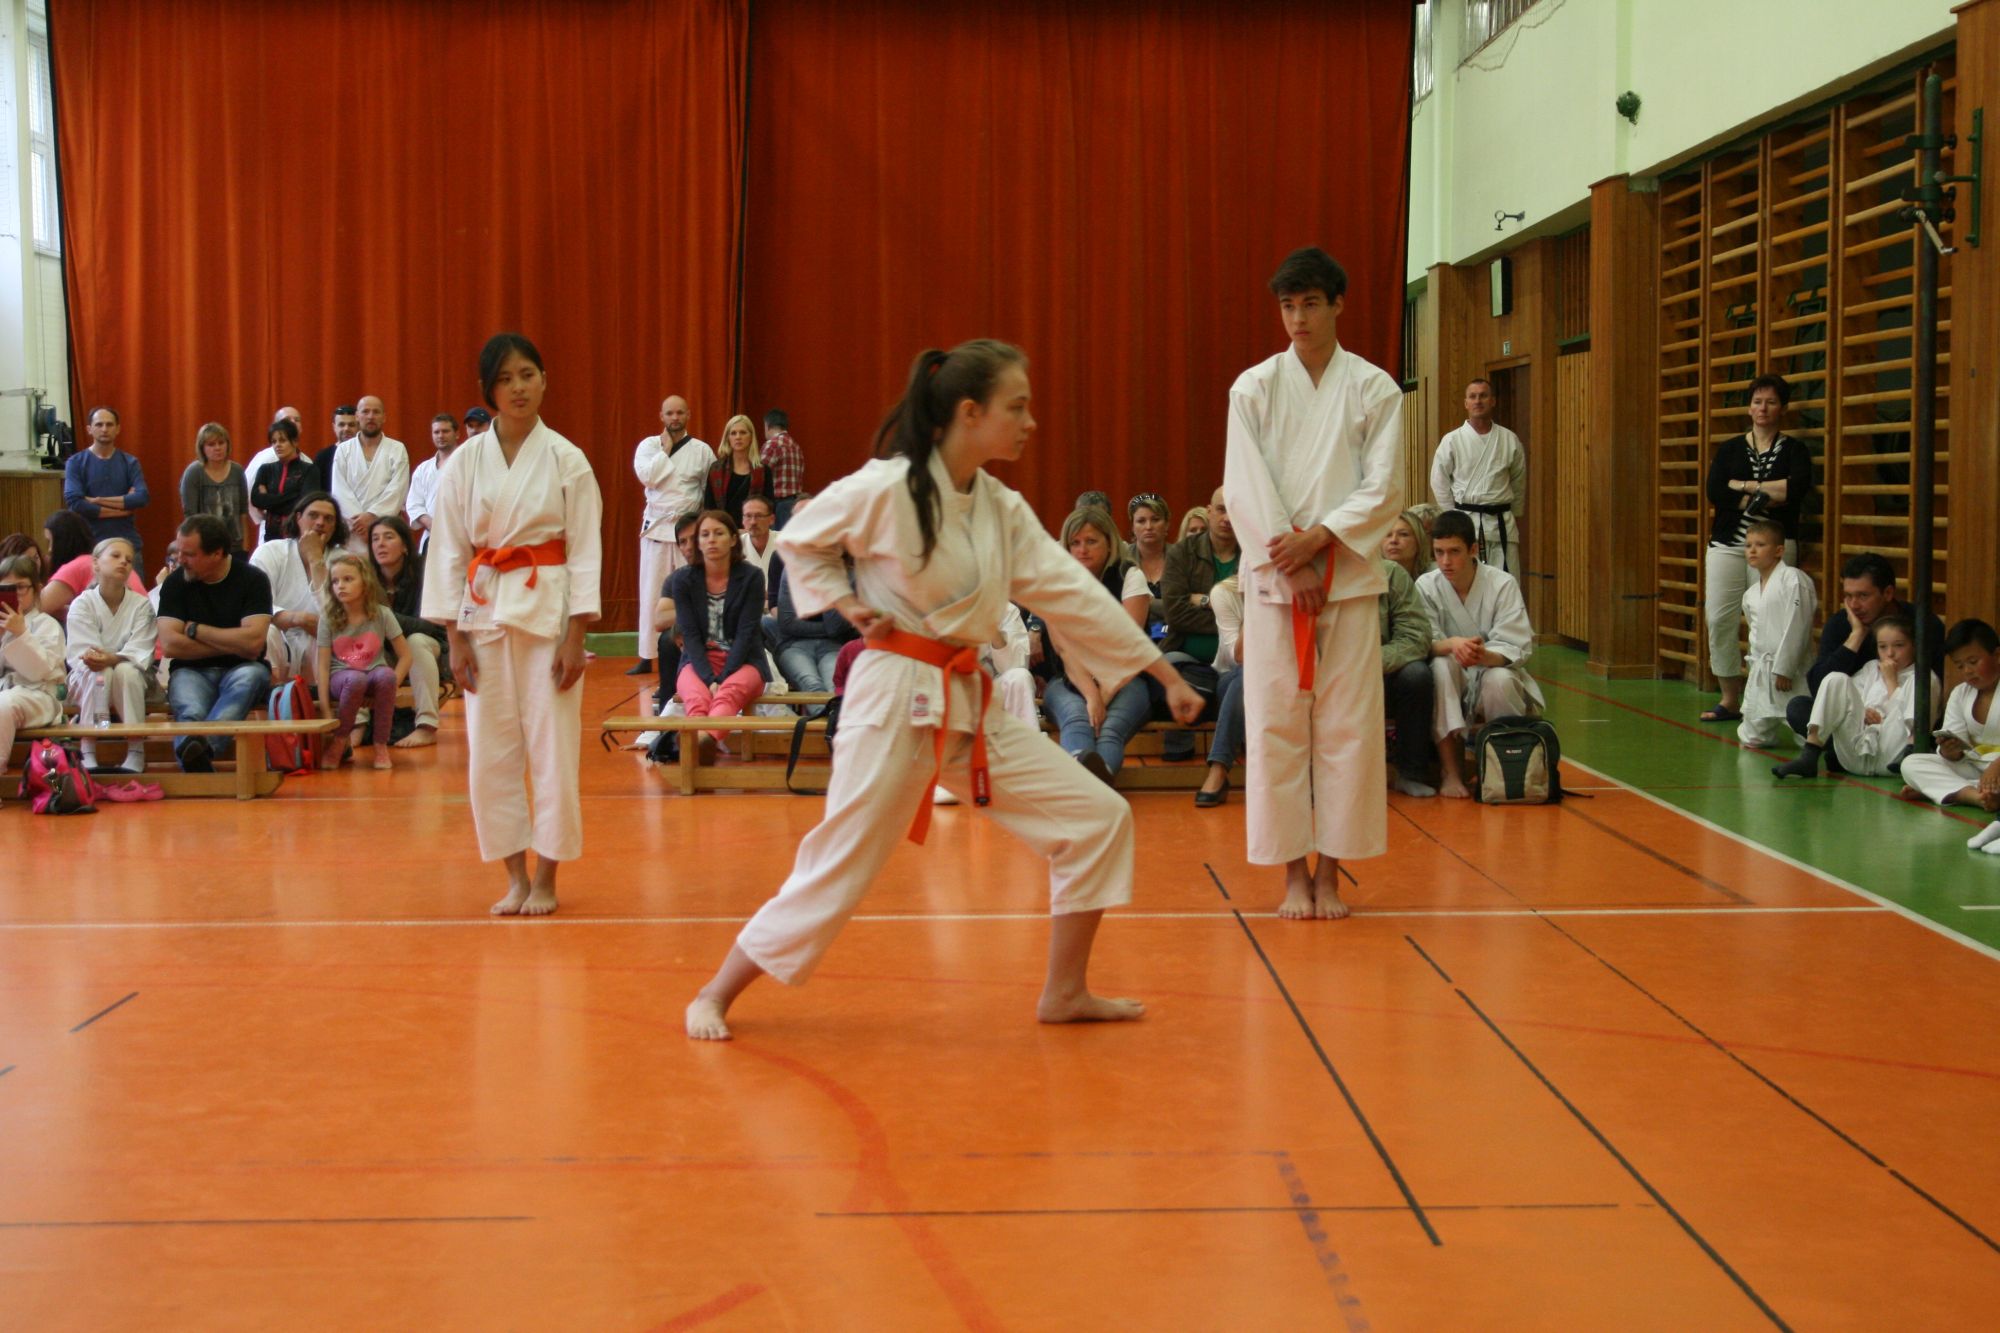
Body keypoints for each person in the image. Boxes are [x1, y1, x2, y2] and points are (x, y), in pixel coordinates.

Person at [685, 339, 1202, 1040]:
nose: (1030, 422)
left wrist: (1160, 670)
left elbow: (1072, 592)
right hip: (892, 696)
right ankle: (713, 993)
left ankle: (1066, 990)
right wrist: (848, 602)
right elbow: (803, 539)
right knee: (840, 865)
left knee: (1096, 817)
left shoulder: (1000, 507)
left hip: (963, 696)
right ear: (970, 412)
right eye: (1017, 407)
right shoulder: (888, 486)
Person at [1224, 246, 1404, 919]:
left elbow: (1384, 486)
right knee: (1276, 727)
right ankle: (1292, 878)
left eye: (1310, 304)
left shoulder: (1375, 388)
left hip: (1347, 581)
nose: (1297, 318)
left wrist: (1320, 539)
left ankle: (1330, 874)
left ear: (1337, 305)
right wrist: (1291, 559)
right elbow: (1244, 486)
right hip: (1277, 585)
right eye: (1287, 306)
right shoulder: (1253, 388)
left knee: (1347, 729)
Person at [420, 333, 603, 917]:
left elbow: (586, 550)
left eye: (527, 374)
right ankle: (514, 877)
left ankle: (547, 877)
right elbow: (448, 551)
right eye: (505, 379)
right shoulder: (464, 462)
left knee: (553, 749)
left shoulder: (567, 459)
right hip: (483, 613)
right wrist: (453, 638)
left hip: (548, 613)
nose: (518, 387)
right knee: (490, 753)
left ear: (544, 380)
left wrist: (577, 635)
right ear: (488, 391)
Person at [1701, 373, 1815, 723]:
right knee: (1718, 618)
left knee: (1767, 619)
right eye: (1757, 402)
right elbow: (1716, 491)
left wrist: (1743, 485)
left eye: (1771, 402)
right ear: (1749, 408)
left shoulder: (1794, 450)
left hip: (1776, 546)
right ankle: (1729, 698)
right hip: (1727, 543)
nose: (1763, 408)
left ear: (1783, 408)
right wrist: (1766, 491)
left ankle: (1762, 699)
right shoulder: (1731, 449)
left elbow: (1795, 490)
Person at [1418, 510, 1543, 799]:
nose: (1445, 561)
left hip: (1491, 668)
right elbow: (1423, 642)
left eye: (1454, 552)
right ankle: (1451, 771)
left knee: (1500, 680)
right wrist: (1454, 645)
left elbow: (1517, 644)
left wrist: (1481, 655)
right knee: (1441, 667)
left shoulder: (1502, 584)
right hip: (1452, 673)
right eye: (1439, 552)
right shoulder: (1426, 585)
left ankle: (1505, 769)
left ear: (1473, 549)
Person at [1040, 506, 1153, 783]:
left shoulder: (1130, 575)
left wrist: (1104, 695)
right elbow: (1065, 651)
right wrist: (1092, 696)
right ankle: (1092, 784)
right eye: (1075, 543)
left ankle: (1089, 786)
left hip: (1126, 679)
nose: (1082, 550)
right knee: (1078, 720)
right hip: (1068, 678)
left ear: (1109, 543)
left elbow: (1128, 649)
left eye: (1091, 541)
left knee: (1109, 729)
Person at [155, 514, 275, 772]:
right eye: (178, 552)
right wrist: (234, 643)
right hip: (190, 670)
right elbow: (171, 645)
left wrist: (196, 630)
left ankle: (199, 750)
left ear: (217, 553)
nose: (180, 560)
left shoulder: (253, 580)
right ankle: (199, 754)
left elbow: (254, 642)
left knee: (247, 681)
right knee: (190, 710)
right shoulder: (175, 583)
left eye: (189, 554)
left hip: (243, 668)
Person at [1786, 553, 1945, 744]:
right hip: (1856, 720)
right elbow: (1819, 688)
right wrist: (1856, 636)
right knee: (1799, 708)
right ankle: (1848, 749)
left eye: (1863, 596)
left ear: (1888, 593)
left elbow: (1934, 687)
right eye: (1848, 596)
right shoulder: (1840, 624)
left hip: (1902, 722)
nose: (1854, 605)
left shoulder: (1922, 623)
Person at [1774, 613, 1937, 780]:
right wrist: (1864, 711)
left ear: (1914, 646)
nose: (1890, 653)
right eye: (1882, 647)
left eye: (1899, 645)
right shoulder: (1871, 668)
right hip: (1855, 755)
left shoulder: (1924, 677)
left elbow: (1904, 717)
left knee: (1921, 681)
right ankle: (1809, 756)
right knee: (1835, 678)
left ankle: (1910, 752)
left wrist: (1891, 682)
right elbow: (1849, 702)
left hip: (1895, 757)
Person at [670, 509, 770, 759]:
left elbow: (747, 633)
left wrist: (723, 678)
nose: (711, 540)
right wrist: (708, 679)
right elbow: (690, 635)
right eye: (704, 535)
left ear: (733, 539)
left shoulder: (752, 577)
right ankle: (703, 745)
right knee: (697, 699)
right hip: (698, 660)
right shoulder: (682, 580)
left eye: (718, 533)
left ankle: (700, 742)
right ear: (698, 542)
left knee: (728, 693)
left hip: (745, 662)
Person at [631, 395, 713, 676]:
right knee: (652, 594)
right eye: (669, 413)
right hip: (657, 528)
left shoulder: (702, 450)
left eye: (679, 413)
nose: (675, 418)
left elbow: (709, 488)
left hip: (687, 531)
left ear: (688, 414)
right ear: (661, 416)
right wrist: (664, 451)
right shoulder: (649, 446)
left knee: (690, 593)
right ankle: (647, 655)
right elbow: (647, 477)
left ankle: (696, 650)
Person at [63, 537, 158, 773]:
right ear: (96, 563)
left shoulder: (141, 605)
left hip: (132, 677)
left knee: (126, 671)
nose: (123, 562)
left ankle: (136, 749)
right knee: (100, 673)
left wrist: (113, 659)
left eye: (129, 560)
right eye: (116, 556)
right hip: (88, 677)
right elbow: (85, 655)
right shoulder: (82, 604)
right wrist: (105, 661)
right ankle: (88, 747)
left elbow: (141, 649)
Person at [315, 551, 412, 771]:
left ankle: (380, 745)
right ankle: (340, 740)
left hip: (373, 675)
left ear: (365, 582)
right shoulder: (328, 618)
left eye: (348, 579)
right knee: (356, 679)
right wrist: (325, 708)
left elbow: (406, 655)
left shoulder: (382, 614)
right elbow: (322, 666)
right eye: (335, 581)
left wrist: (391, 686)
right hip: (342, 677)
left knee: (386, 675)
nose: (340, 586)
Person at [1899, 620, 2000, 813]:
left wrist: (1997, 766)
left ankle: (1941, 789)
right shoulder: (1960, 693)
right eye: (1960, 665)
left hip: (1997, 769)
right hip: (1974, 766)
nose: (1967, 671)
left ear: (1997, 655)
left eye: (1973, 662)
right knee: (1912, 763)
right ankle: (1974, 796)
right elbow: (1956, 746)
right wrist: (1950, 752)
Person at [1429, 378, 1526, 576]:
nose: (1478, 401)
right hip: (1467, 523)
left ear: (1493, 401)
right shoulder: (1452, 440)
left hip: (1502, 523)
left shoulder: (1509, 439)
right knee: (1468, 580)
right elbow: (1439, 481)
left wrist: (1514, 513)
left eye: (1483, 396)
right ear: (1466, 403)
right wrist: (1454, 515)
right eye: (1472, 397)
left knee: (1507, 581)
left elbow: (1518, 480)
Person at [1735, 518, 1818, 749]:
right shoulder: (1751, 594)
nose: (1752, 550)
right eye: (1748, 545)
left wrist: (1785, 668)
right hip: (1762, 669)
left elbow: (1798, 625)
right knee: (1752, 737)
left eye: (1760, 545)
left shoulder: (1793, 579)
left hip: (1791, 671)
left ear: (1779, 550)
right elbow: (1755, 634)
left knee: (1808, 736)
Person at [368, 515, 447, 748]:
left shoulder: (425, 570)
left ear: (404, 546)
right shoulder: (366, 576)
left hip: (431, 647)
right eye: (375, 539)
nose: (380, 544)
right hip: (386, 651)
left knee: (416, 641)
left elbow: (431, 625)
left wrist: (383, 617)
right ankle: (357, 725)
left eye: (388, 537)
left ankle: (427, 726)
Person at [250, 492, 341, 684]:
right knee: (266, 632)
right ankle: (272, 696)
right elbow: (255, 605)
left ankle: (324, 699)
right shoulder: (270, 552)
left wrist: (316, 558)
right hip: (279, 637)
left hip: (322, 640)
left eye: (328, 519)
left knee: (329, 636)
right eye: (313, 515)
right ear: (298, 518)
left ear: (335, 526)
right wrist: (297, 618)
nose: (320, 523)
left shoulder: (345, 560)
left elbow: (337, 615)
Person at [0, 554, 67, 796]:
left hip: (40, 695)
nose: (14, 594)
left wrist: (21, 634)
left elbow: (38, 671)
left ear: (36, 588)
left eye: (20, 587)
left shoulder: (46, 624)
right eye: (6, 588)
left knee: (2, 705)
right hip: (8, 690)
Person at [1380, 554, 1438, 797]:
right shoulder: (1312, 573)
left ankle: (1411, 773)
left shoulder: (1391, 573)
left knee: (1416, 675)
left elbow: (1415, 636)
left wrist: (1369, 661)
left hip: (1379, 672)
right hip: (1329, 673)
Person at [63, 406, 149, 561]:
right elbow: (75, 503)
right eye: (99, 424)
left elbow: (141, 497)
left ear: (118, 429)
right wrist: (122, 509)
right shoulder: (75, 462)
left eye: (109, 424)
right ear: (89, 429)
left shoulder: (130, 462)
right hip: (89, 547)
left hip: (127, 545)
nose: (104, 429)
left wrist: (96, 500)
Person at [331, 395, 410, 547]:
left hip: (385, 525)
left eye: (376, 412)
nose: (371, 416)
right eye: (365, 411)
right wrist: (358, 522)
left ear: (384, 417)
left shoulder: (397, 449)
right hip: (352, 527)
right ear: (357, 416)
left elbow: (398, 489)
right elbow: (339, 489)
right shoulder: (343, 450)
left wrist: (372, 516)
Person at [179, 422, 253, 551]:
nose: (217, 448)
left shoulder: (237, 471)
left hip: (235, 545)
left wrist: (245, 547)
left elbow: (243, 513)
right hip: (205, 547)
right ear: (202, 448)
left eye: (221, 443)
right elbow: (190, 516)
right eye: (211, 444)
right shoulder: (194, 472)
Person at [249, 418, 315, 545]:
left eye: (282, 440)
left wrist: (269, 501)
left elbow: (305, 503)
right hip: (271, 537)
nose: (277, 445)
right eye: (274, 441)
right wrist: (292, 495)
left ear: (295, 441)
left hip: (298, 536)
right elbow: (256, 499)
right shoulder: (266, 470)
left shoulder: (309, 470)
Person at [36, 510, 109, 623]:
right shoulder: (98, 560)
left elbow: (37, 607)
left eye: (51, 541)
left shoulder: (78, 566)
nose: (49, 549)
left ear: (63, 541)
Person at [404, 413, 459, 551]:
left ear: (457, 434)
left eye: (445, 431)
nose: (441, 435)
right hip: (430, 536)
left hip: (458, 534)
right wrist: (430, 523)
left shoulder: (466, 463)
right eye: (436, 432)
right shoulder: (424, 469)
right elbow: (413, 503)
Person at [707, 413, 768, 525]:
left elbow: (769, 507)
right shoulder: (716, 469)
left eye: (743, 432)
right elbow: (709, 507)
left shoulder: (763, 470)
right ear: (728, 438)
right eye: (733, 433)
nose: (738, 437)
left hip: (753, 528)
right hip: (723, 529)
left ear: (751, 437)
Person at [1128, 493, 1171, 631]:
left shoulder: (1182, 558)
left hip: (1175, 635)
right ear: (1132, 527)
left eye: (1155, 519)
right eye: (1141, 521)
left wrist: (1145, 602)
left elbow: (1183, 608)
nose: (1148, 527)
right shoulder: (1122, 560)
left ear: (1167, 524)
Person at [761, 409, 806, 526]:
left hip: (779, 505)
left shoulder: (772, 444)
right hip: (795, 503)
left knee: (776, 536)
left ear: (767, 425)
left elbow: (761, 474)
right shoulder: (796, 446)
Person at [738, 493, 784, 606]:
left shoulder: (785, 542)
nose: (753, 522)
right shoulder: (735, 546)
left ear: (771, 519)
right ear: (742, 520)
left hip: (779, 608)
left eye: (759, 516)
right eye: (748, 516)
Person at [315, 404, 360, 493]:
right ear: (334, 427)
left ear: (359, 427)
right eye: (341, 425)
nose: (346, 429)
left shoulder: (367, 454)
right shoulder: (323, 457)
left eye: (351, 425)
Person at [1381, 507, 1433, 580]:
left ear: (1419, 541)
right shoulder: (1369, 578)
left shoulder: (1433, 578)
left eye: (1403, 534)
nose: (1393, 540)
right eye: (1388, 535)